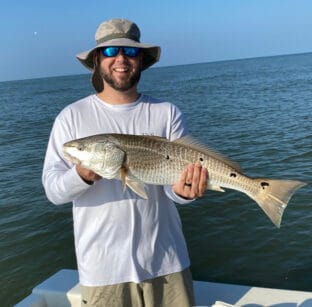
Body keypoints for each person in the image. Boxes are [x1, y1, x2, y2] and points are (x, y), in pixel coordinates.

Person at [42, 18, 208, 307]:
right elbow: (53, 190)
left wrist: (184, 192)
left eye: (130, 52)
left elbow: (171, 188)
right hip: (103, 271)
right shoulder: (71, 117)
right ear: (96, 60)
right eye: (109, 52)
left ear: (141, 59)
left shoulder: (166, 113)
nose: (120, 59)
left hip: (167, 263)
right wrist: (82, 174)